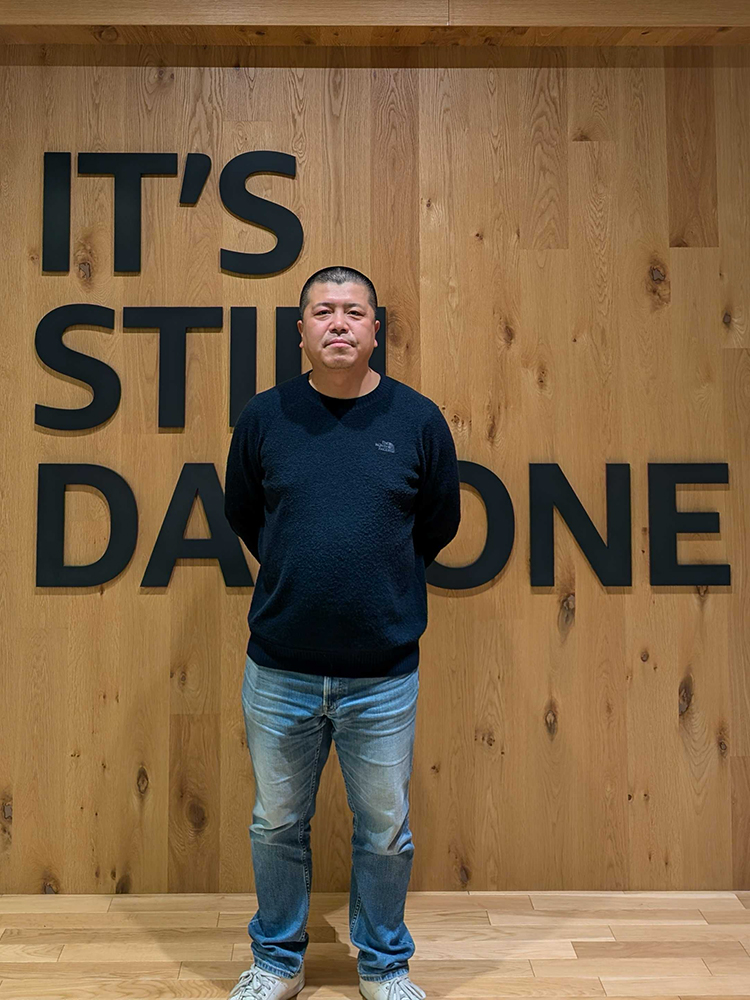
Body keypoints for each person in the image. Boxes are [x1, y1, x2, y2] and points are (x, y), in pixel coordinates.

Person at [223, 265, 462, 1000]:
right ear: (299, 331)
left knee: (385, 829)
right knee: (276, 824)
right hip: (281, 669)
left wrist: (375, 581)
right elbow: (244, 513)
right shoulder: (264, 418)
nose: (338, 324)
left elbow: (438, 524)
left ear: (375, 330)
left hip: (383, 675)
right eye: (322, 312)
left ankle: (385, 966)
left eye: (353, 312)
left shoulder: (417, 420)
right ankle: (278, 962)